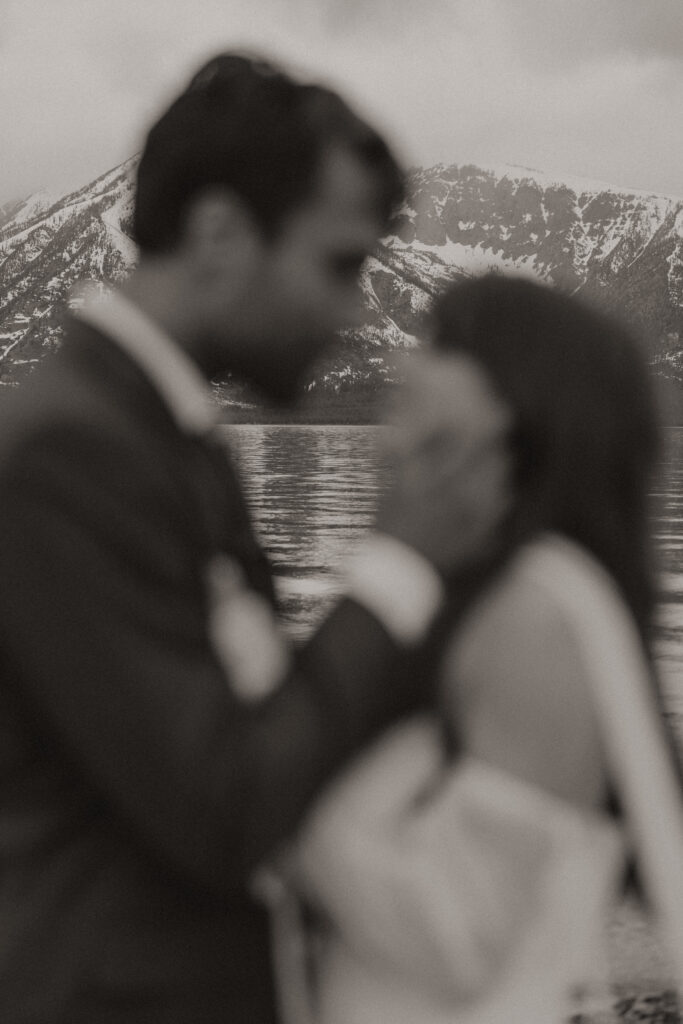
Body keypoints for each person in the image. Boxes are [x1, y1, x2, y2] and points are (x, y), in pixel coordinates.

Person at [0, 55, 510, 1024]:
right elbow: (221, 802)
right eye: (337, 264)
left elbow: (258, 730)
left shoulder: (153, 435)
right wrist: (397, 562)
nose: (353, 309)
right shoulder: (68, 454)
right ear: (221, 233)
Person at [291, 275, 683, 1024]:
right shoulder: (467, 595)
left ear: (517, 400)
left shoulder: (535, 616)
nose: (406, 361)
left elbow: (463, 934)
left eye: (441, 344)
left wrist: (275, 809)